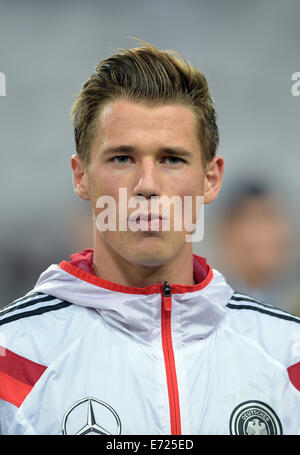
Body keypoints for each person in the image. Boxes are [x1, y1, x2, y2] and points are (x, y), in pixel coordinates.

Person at [0, 42, 299, 436]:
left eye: (172, 159)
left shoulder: (287, 356)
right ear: (80, 176)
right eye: (122, 158)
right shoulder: (13, 359)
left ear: (211, 179)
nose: (147, 185)